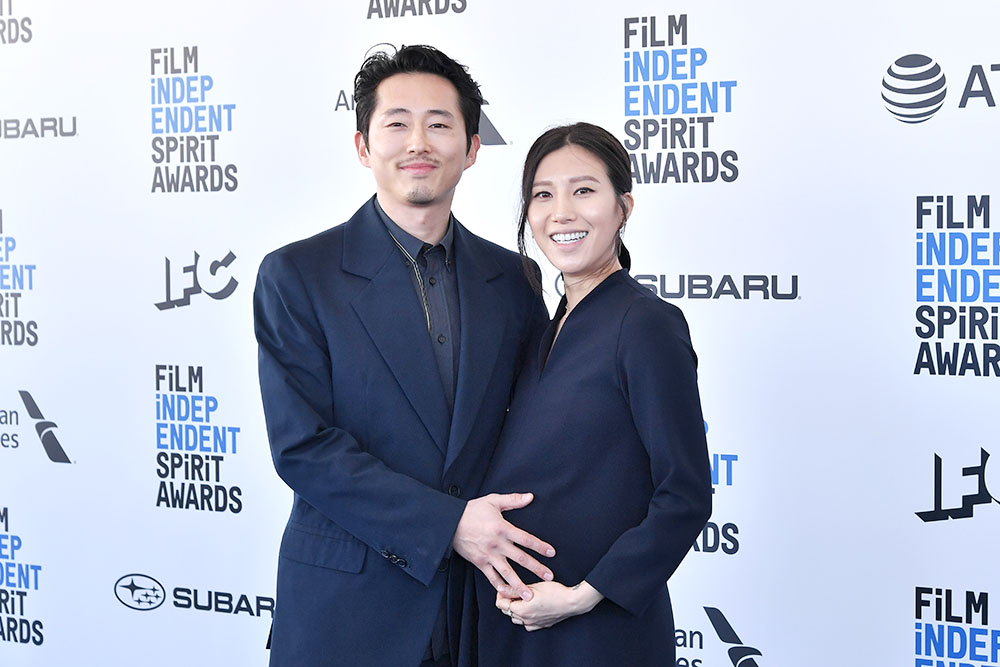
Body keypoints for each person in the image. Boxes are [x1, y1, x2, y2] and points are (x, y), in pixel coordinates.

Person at [253, 45, 555, 667]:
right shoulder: (298, 276)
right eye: (396, 123)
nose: (419, 141)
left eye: (440, 124)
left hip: (483, 610)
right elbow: (304, 447)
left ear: (472, 149)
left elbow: (534, 431)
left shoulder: (516, 279)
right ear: (364, 146)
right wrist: (448, 525)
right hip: (349, 610)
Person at [473, 122, 713, 666]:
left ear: (623, 207)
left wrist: (583, 596)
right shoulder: (540, 326)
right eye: (543, 194)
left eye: (584, 190)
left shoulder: (647, 323)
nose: (561, 212)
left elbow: (686, 493)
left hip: (597, 629)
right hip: (518, 623)